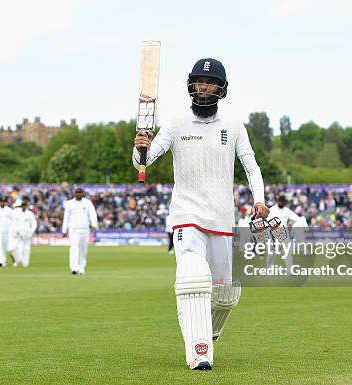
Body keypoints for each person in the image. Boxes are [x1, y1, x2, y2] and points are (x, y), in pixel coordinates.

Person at [132, 58, 269, 370]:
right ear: (191, 85)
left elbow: (251, 165)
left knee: (227, 294)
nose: (204, 87)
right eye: (199, 81)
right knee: (193, 278)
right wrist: (140, 147)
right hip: (186, 215)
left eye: (211, 82)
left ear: (222, 88)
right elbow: (146, 158)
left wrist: (259, 199)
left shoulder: (233, 124)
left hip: (222, 218)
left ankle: (210, 330)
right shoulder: (176, 123)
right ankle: (200, 353)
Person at [62, 187, 98, 275]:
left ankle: (81, 267)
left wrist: (94, 225)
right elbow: (66, 217)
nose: (79, 194)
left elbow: (92, 214)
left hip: (85, 228)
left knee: (83, 249)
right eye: (77, 193)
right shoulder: (69, 204)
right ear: (74, 194)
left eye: (80, 193)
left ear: (83, 194)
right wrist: (64, 230)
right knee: (74, 247)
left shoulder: (87, 203)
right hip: (73, 228)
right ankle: (74, 268)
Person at [266, 195, 308, 270]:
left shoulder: (286, 210)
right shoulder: (271, 210)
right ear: (278, 201)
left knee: (287, 251)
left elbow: (297, 218)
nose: (283, 203)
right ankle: (268, 269)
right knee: (272, 252)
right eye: (282, 202)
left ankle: (290, 270)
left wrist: (291, 222)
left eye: (284, 202)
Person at [12, 199, 37, 267]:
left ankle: (25, 263)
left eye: (25, 206)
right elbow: (14, 223)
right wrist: (15, 231)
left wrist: (31, 232)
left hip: (27, 232)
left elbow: (34, 224)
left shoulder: (30, 214)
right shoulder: (17, 214)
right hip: (18, 232)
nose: (23, 207)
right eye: (22, 206)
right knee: (14, 247)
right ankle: (18, 260)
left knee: (26, 248)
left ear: (27, 206)